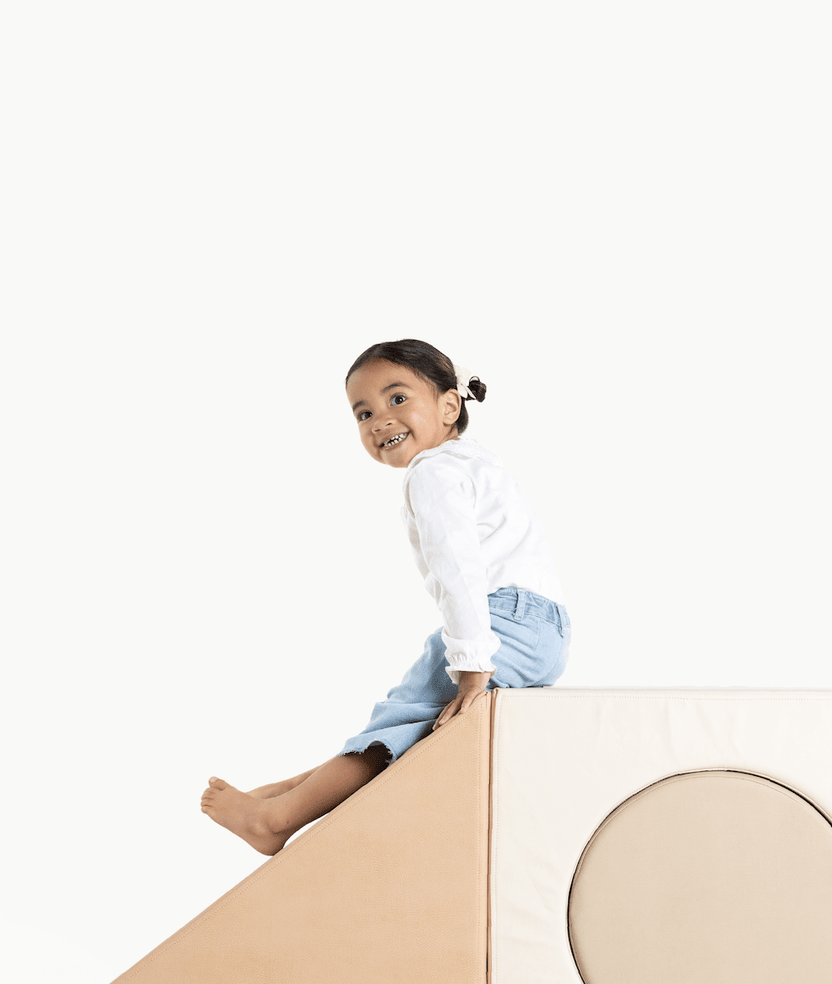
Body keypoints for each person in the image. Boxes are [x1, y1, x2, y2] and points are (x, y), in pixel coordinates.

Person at [200, 339, 570, 855]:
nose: (379, 421)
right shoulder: (473, 460)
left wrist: (471, 665)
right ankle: (287, 794)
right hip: (543, 631)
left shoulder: (434, 472)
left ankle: (277, 819)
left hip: (497, 623)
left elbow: (460, 570)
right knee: (407, 722)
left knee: (400, 720)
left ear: (449, 405)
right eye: (363, 412)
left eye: (398, 399)